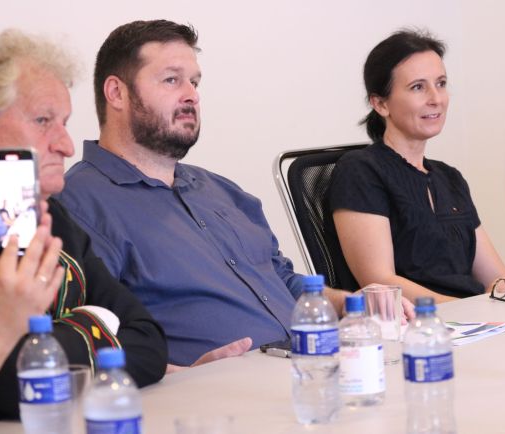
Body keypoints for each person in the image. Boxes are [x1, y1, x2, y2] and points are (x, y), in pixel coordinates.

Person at [58, 20, 402, 371]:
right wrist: (182, 377)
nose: (192, 95)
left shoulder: (222, 191)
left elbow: (282, 280)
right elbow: (92, 339)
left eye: (194, 82)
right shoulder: (77, 204)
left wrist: (346, 304)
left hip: (310, 369)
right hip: (215, 393)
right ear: (116, 93)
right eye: (172, 80)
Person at [0, 28, 167, 419]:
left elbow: (149, 343)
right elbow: (9, 393)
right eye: (43, 120)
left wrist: (37, 346)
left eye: (65, 122)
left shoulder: (54, 218)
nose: (66, 145)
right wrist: (95, 326)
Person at [325, 30, 505, 303]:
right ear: (380, 104)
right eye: (418, 87)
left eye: (441, 83)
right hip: (418, 323)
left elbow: (496, 278)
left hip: (473, 319)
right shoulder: (361, 170)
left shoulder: (450, 178)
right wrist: (470, 311)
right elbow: (379, 282)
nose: (436, 98)